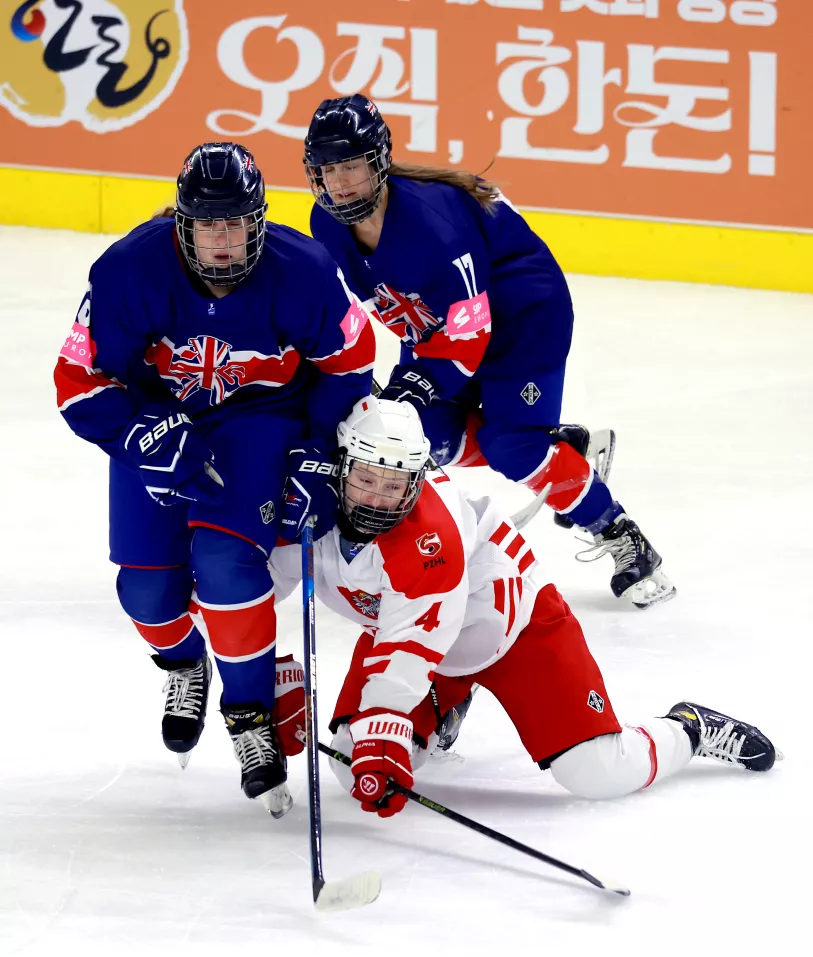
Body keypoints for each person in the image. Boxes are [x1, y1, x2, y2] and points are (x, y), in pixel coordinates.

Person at [55, 141, 375, 815]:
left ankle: (251, 716)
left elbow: (351, 365)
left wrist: (318, 449)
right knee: (146, 592)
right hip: (158, 418)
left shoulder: (305, 271)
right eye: (208, 225)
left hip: (258, 421)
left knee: (226, 565)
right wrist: (136, 431)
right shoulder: (126, 272)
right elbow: (78, 381)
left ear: (258, 220)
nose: (223, 240)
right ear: (183, 224)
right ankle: (184, 663)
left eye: (235, 223)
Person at [267, 396, 777, 818]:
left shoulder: (431, 535)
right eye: (366, 479)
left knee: (599, 772)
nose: (378, 499)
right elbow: (250, 596)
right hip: (414, 640)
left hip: (513, 632)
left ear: (416, 481)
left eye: (395, 484)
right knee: (349, 760)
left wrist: (385, 721)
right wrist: (264, 682)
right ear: (340, 466)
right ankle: (446, 706)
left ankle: (689, 728)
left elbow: (414, 637)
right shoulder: (307, 510)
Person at [302, 94, 675, 610]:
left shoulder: (436, 227)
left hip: (524, 322)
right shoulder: (326, 223)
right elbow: (356, 308)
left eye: (351, 167)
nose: (339, 183)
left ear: (379, 161)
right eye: (327, 171)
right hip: (443, 329)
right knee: (421, 437)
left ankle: (618, 530)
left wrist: (419, 382)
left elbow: (469, 337)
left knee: (512, 447)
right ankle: (561, 455)